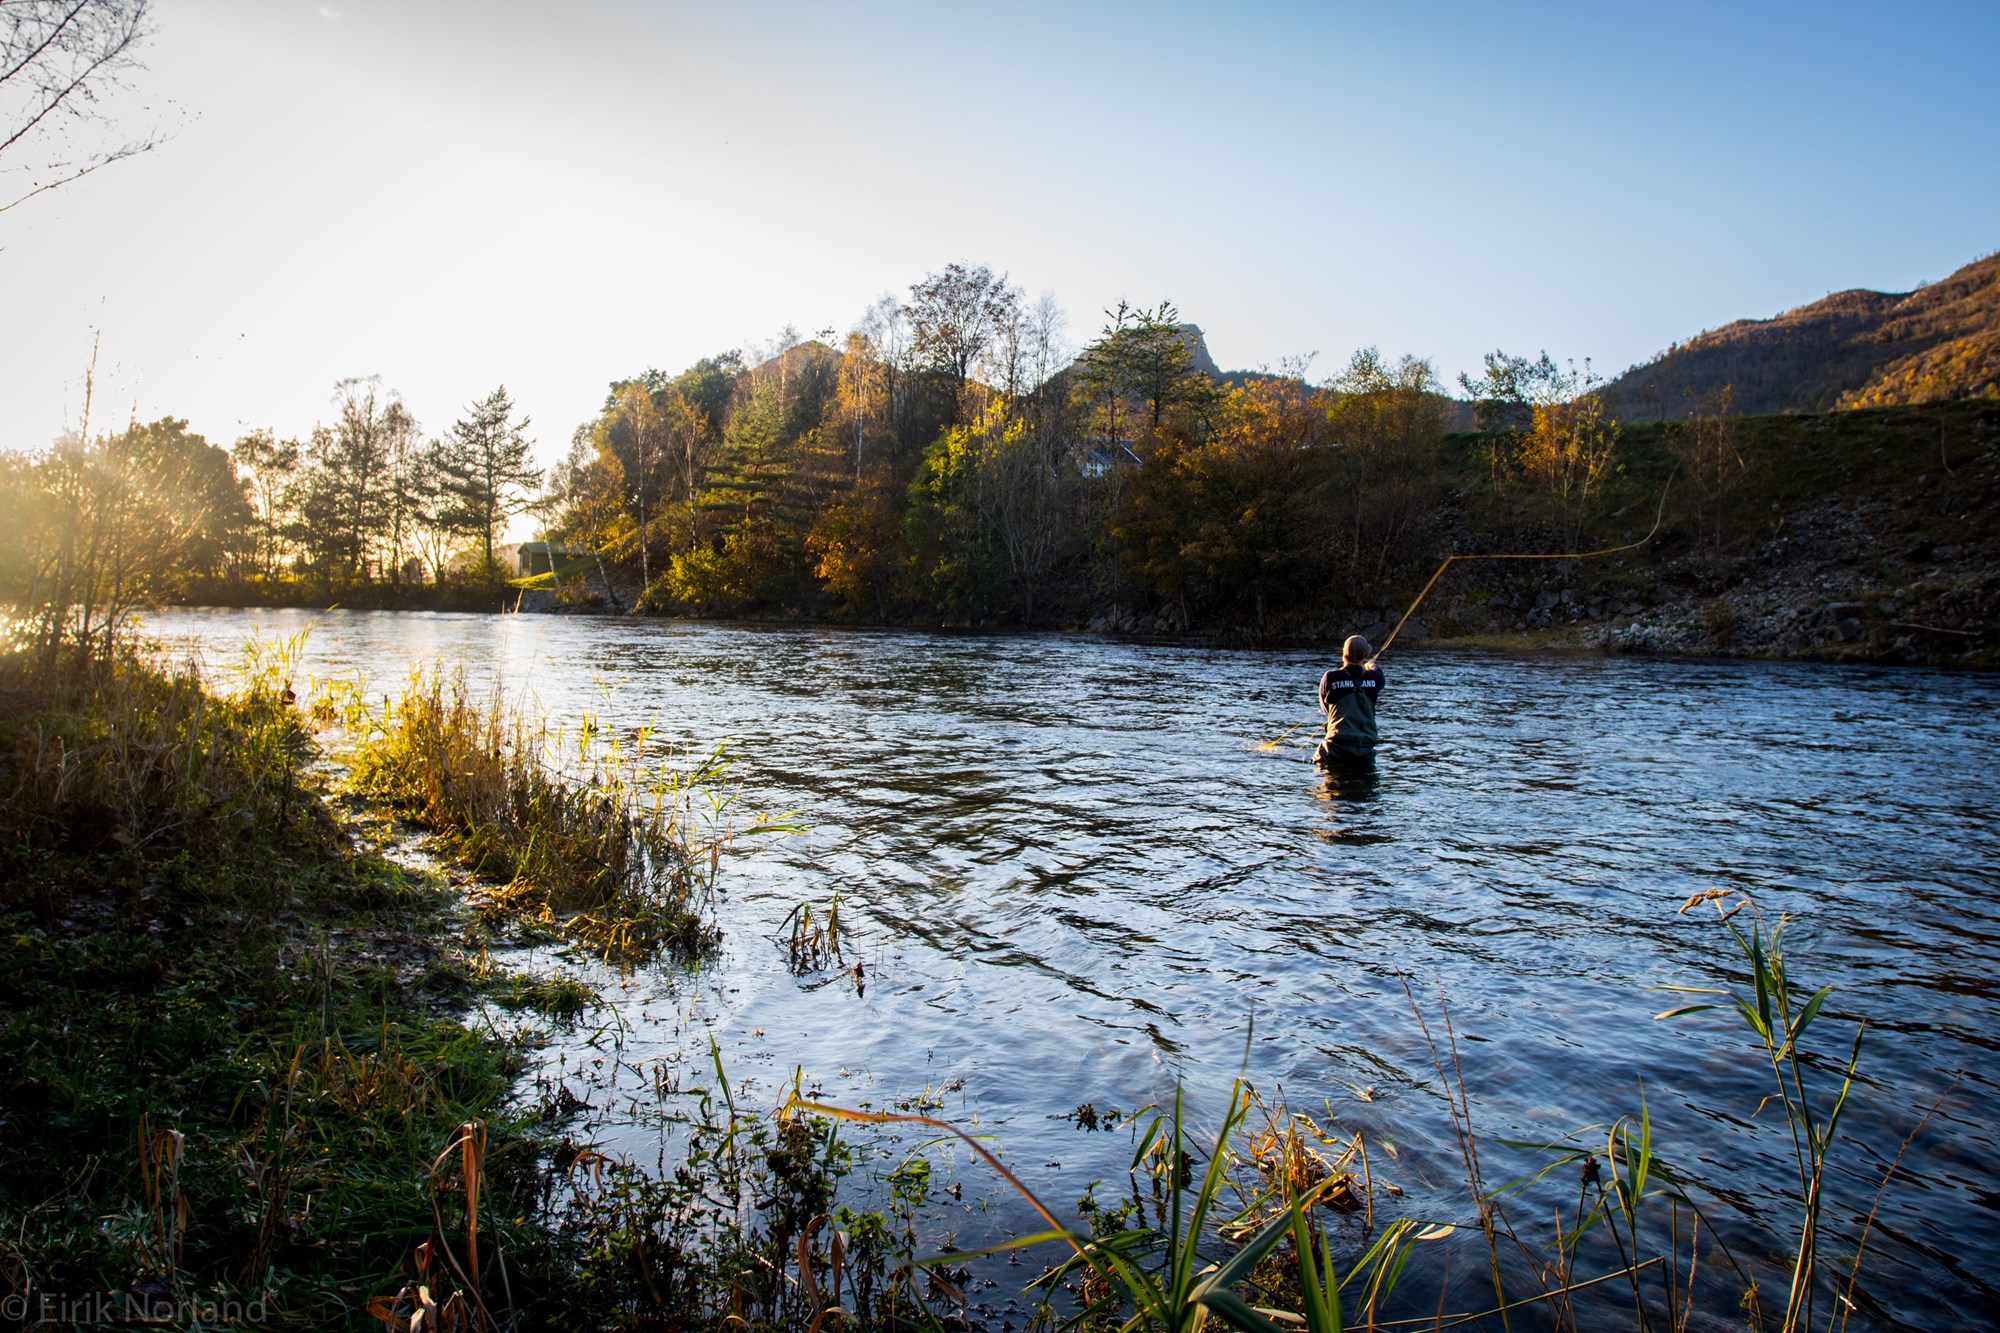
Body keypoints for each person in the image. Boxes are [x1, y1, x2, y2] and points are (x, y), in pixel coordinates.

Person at [1314, 634, 1384, 767]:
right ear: (1364, 656)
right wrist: (1371, 665)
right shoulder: (1375, 678)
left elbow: (1325, 709)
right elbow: (1378, 673)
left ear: (1343, 653)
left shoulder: (1331, 677)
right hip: (1364, 751)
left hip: (1335, 749)